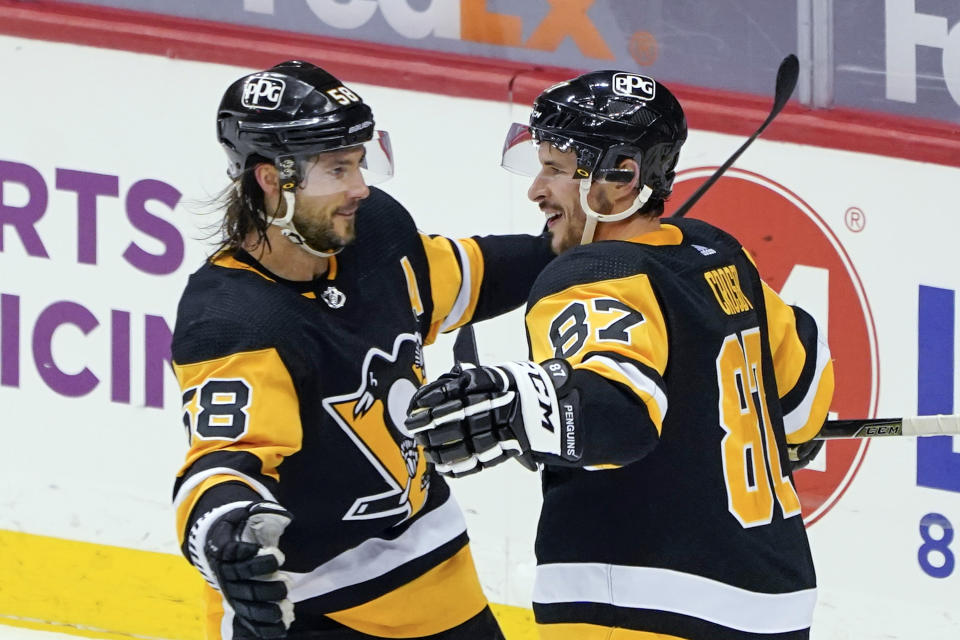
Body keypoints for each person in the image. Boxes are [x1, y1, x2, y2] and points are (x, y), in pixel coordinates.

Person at [406, 70, 834, 640]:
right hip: (776, 605)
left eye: (555, 169)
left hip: (638, 604)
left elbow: (617, 416)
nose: (536, 190)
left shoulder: (591, 277)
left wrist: (518, 404)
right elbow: (804, 402)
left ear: (623, 177)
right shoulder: (716, 253)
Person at [171, 60, 554, 640]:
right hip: (305, 608)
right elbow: (226, 460)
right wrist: (225, 533)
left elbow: (462, 275)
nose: (360, 187)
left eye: (359, 161)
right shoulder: (232, 316)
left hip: (435, 573)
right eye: (337, 168)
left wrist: (576, 246)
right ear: (272, 180)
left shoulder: (374, 231)